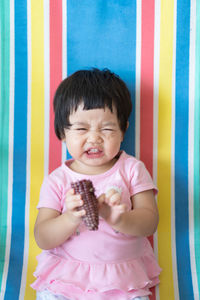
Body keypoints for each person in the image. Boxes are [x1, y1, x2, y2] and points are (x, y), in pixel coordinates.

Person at [31, 68, 161, 300]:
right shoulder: (57, 180)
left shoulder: (132, 169)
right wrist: (70, 218)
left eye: (107, 128)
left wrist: (119, 219)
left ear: (123, 131)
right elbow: (43, 236)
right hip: (66, 279)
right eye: (81, 129)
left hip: (122, 281)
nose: (94, 138)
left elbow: (150, 222)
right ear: (62, 133)